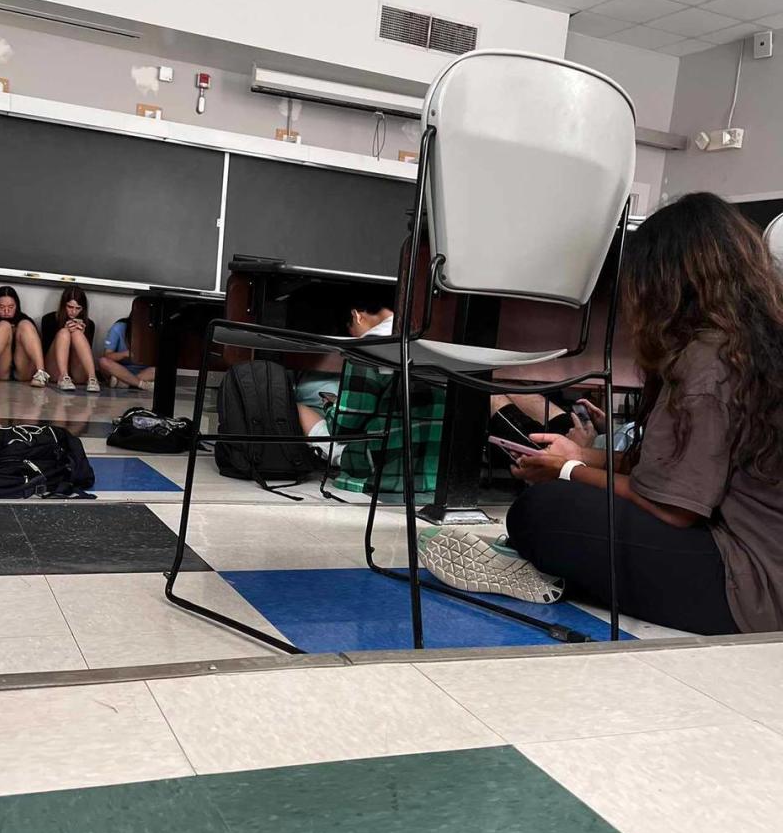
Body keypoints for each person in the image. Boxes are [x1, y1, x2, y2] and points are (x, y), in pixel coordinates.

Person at [423, 193, 783, 635]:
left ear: (664, 283)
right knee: (568, 505)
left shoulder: (707, 360)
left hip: (749, 589)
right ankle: (560, 568)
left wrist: (569, 470)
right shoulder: (753, 349)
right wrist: (583, 456)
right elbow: (685, 470)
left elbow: (672, 509)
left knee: (544, 508)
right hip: (762, 568)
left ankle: (550, 571)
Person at [297, 288, 444, 498]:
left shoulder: (368, 347)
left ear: (357, 315)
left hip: (382, 472)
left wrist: (331, 407)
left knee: (302, 410)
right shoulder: (428, 338)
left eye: (350, 330)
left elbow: (345, 427)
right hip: (436, 473)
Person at [0, 286, 49, 387]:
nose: (6, 311)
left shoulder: (25, 319)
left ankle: (41, 373)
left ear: (16, 306)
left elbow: (38, 349)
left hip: (23, 370)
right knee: (4, 326)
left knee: (25, 324)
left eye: (11, 307)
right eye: (2, 307)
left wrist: (17, 334)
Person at [41, 286, 99, 392]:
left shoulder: (89, 324)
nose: (73, 312)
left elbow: (87, 353)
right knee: (64, 333)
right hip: (55, 371)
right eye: (70, 307)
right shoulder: (49, 319)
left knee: (77, 334)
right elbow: (45, 349)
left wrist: (83, 335)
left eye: (78, 308)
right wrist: (64, 329)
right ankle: (64, 377)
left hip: (78, 373)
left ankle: (92, 378)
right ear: (63, 305)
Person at [98, 312, 155, 390]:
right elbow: (107, 355)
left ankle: (125, 382)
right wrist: (125, 354)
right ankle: (140, 384)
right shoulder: (119, 327)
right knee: (103, 361)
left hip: (143, 371)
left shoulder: (155, 331)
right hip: (119, 370)